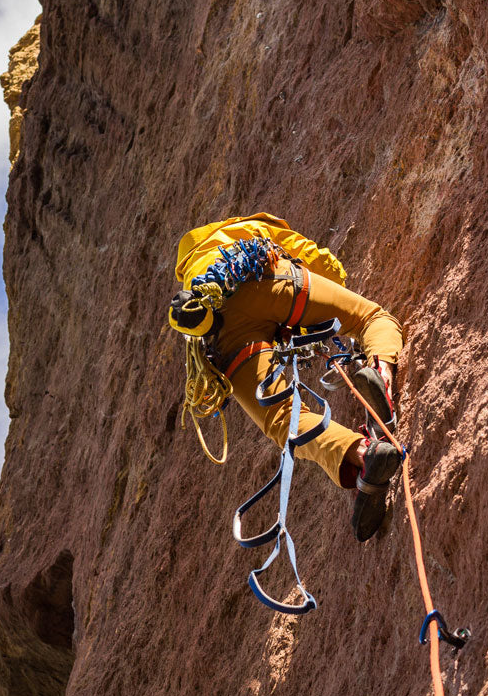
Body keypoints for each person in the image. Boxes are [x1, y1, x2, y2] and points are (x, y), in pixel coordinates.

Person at [168, 213, 404, 541]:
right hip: (264, 277)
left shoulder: (191, 279)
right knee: (368, 318)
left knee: (283, 418)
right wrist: (333, 287)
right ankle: (381, 375)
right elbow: (318, 263)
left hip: (222, 332)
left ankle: (363, 455)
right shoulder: (253, 228)